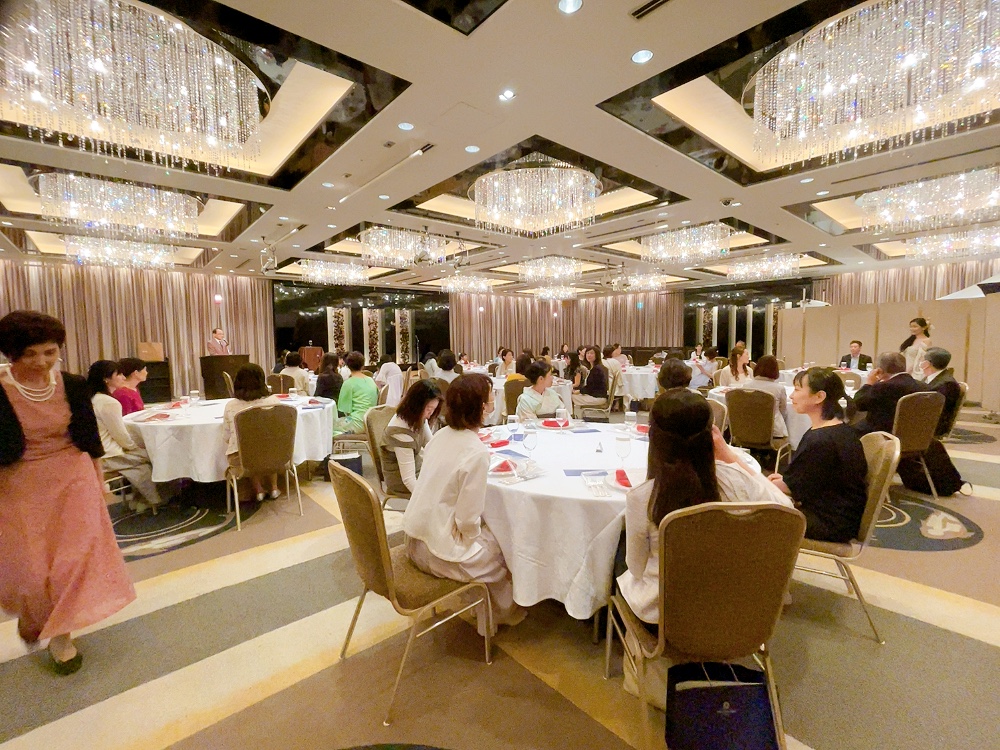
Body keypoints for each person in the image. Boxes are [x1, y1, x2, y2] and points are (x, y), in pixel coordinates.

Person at [0, 311, 135, 674]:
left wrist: (99, 482)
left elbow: (89, 440)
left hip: (73, 478)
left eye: (50, 352)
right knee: (30, 569)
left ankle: (60, 636)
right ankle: (33, 613)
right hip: (18, 483)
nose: (42, 361)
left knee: (71, 563)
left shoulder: (72, 384)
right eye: (30, 354)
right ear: (11, 354)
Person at [617, 390, 792, 626]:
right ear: (712, 435)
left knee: (617, 549)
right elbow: (786, 507)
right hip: (732, 610)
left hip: (665, 618)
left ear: (654, 438)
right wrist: (731, 457)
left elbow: (637, 569)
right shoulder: (736, 480)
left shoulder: (642, 497)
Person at [404, 374, 525, 635]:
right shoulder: (475, 452)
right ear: (481, 407)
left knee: (490, 535)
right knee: (507, 544)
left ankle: (487, 612)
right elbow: (467, 521)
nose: (493, 402)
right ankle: (498, 614)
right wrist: (475, 539)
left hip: (413, 539)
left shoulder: (440, 436)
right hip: (438, 554)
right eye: (490, 398)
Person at [768, 368, 868, 544]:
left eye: (797, 389)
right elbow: (813, 477)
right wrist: (785, 481)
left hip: (830, 522)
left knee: (756, 514)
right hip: (837, 512)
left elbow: (793, 488)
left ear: (819, 397)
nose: (792, 396)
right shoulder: (837, 429)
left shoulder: (822, 440)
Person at [87, 360, 167, 512]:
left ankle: (143, 499)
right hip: (110, 454)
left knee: (146, 456)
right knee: (155, 456)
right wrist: (133, 447)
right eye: (119, 374)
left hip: (99, 451)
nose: (123, 378)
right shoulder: (109, 402)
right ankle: (154, 498)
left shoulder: (93, 398)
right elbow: (120, 435)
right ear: (106, 378)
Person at [221, 364, 283, 501]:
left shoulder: (231, 406)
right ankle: (274, 487)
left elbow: (226, 436)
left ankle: (258, 490)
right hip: (275, 457)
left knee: (247, 447)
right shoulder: (274, 401)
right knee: (269, 444)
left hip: (244, 460)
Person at [380, 379, 442, 497]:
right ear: (416, 406)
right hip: (400, 480)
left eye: (433, 409)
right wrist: (425, 499)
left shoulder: (416, 418)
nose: (430, 414)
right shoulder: (400, 432)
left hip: (418, 469)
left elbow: (432, 446)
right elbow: (409, 480)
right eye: (428, 409)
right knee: (445, 492)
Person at [852, 351, 923, 434]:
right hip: (912, 432)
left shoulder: (883, 387)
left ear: (880, 370)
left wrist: (869, 383)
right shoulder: (921, 385)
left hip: (880, 432)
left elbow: (858, 404)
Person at [743, 355, 788, 438]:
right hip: (773, 432)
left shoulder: (745, 386)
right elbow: (783, 411)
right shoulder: (779, 389)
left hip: (748, 430)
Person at [919, 347, 962, 436]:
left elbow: (936, 409)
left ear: (926, 364)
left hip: (934, 425)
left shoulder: (947, 384)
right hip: (926, 419)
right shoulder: (930, 378)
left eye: (922, 359)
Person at [334, 351, 379, 434]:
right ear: (363, 365)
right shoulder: (371, 380)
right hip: (371, 421)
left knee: (328, 427)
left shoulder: (348, 383)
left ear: (347, 365)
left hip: (357, 423)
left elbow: (344, 409)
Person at [572, 346, 608, 417]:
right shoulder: (598, 367)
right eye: (587, 353)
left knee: (569, 397)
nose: (589, 355)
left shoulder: (597, 369)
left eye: (592, 353)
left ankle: (571, 417)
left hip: (597, 397)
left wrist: (578, 391)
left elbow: (590, 388)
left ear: (597, 355)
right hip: (598, 395)